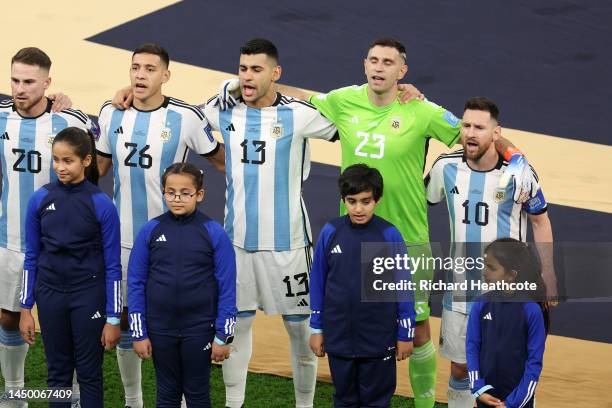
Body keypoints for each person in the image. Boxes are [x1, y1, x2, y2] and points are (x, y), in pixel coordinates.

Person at [218, 37, 537, 407]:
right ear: (364, 64)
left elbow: (475, 135)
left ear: (402, 71)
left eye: (388, 62)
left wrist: (516, 158)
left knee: (417, 330)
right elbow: (300, 97)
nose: (378, 67)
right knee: (355, 319)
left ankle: (422, 403)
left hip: (407, 238)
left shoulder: (422, 110)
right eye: (373, 60)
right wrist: (241, 84)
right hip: (353, 239)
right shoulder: (342, 100)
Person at [201, 38, 338, 408]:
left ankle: (305, 405)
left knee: (301, 331)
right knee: (237, 327)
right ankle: (233, 404)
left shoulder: (299, 114)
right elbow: (185, 115)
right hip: (237, 244)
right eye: (242, 68)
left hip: (289, 246)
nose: (247, 76)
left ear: (275, 74)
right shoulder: (223, 110)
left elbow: (349, 124)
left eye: (256, 69)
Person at [96, 43, 224, 408]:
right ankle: (133, 400)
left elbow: (220, 161)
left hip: (175, 243)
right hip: (122, 240)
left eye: (150, 69)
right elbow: (98, 170)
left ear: (166, 75)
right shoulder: (110, 113)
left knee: (179, 314)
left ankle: (184, 399)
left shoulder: (186, 117)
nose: (140, 75)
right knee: (121, 317)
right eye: (135, 68)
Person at [424, 97, 555, 407]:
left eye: (480, 127)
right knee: (460, 367)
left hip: (510, 292)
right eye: (466, 125)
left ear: (496, 133)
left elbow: (541, 222)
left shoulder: (519, 172)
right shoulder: (446, 166)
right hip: (461, 288)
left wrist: (548, 274)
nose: (471, 133)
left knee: (511, 367)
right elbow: (420, 203)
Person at [0, 47, 96, 407]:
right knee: (8, 316)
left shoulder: (68, 121)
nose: (19, 89)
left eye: (28, 81)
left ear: (47, 83)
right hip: (9, 239)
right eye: (14, 80)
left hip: (61, 244)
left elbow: (95, 162)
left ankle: (66, 395)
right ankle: (14, 394)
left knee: (67, 323)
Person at [19, 127, 122, 408]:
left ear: (86, 161)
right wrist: (26, 308)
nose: (59, 167)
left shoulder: (102, 205)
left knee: (89, 374)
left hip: (88, 296)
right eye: (55, 160)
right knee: (57, 374)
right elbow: (32, 257)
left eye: (68, 161)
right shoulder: (39, 199)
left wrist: (113, 318)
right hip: (50, 295)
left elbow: (113, 266)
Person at [127, 162, 237, 408]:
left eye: (185, 193)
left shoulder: (214, 233)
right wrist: (139, 332)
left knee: (197, 393)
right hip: (160, 329)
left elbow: (227, 287)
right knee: (166, 392)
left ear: (199, 195)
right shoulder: (150, 231)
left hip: (199, 328)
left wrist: (223, 336)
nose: (177, 199)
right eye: (170, 192)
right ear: (164, 192)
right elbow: (135, 282)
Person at [309, 164, 415, 407]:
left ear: (377, 200)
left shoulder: (389, 235)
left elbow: (403, 286)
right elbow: (318, 282)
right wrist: (316, 328)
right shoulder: (330, 232)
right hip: (339, 339)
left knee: (376, 403)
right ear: (343, 200)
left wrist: (405, 333)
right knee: (344, 400)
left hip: (378, 340)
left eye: (365, 201)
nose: (358, 208)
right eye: (352, 200)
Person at [466, 238, 549, 408]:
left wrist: (513, 403)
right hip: (485, 397)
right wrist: (478, 389)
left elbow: (534, 363)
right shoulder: (480, 304)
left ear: (511, 275)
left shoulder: (531, 311)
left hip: (517, 402)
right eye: (484, 264)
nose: (484, 271)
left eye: (491, 267)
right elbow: (472, 347)